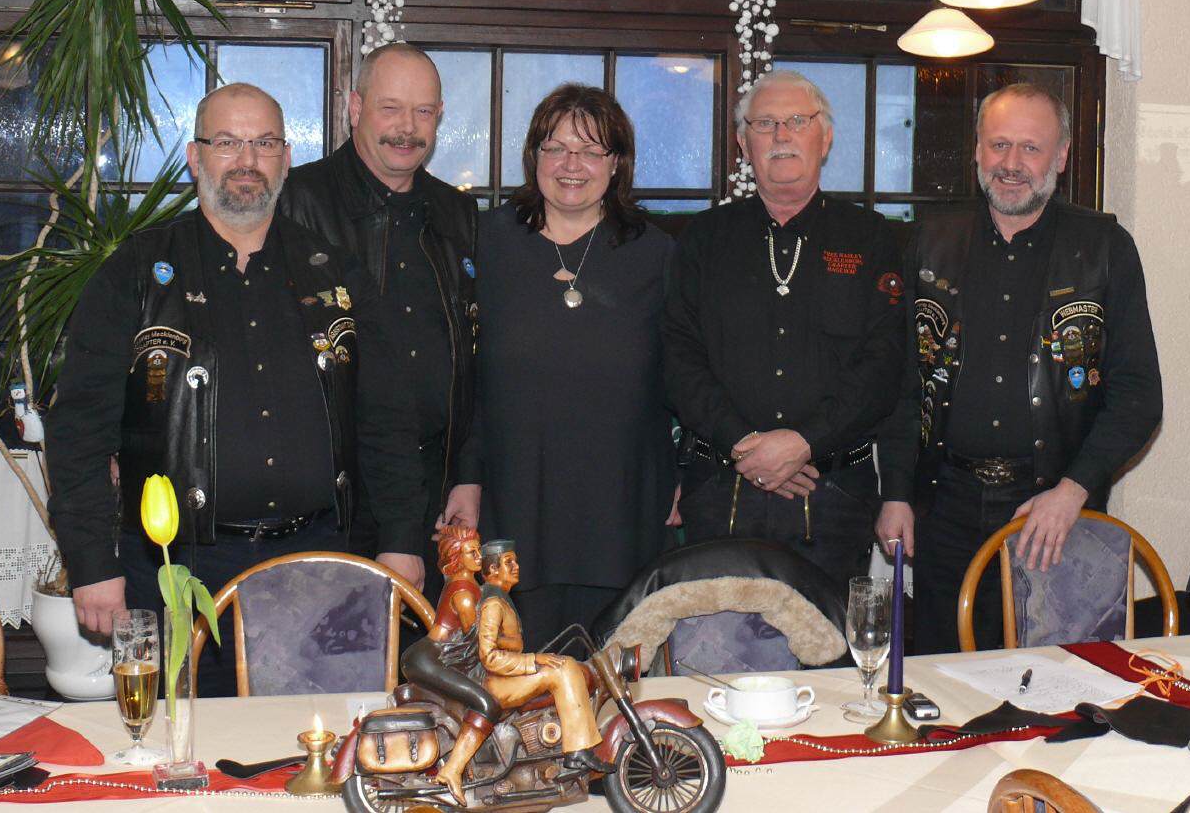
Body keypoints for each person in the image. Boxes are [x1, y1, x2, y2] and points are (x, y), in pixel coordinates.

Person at [46, 83, 417, 694]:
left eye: (264, 143)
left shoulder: (336, 273)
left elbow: (388, 422)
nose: (247, 160)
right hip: (176, 571)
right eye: (227, 142)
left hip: (324, 563)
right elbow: (79, 430)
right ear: (195, 157)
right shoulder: (136, 272)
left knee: (323, 744)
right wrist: (92, 564)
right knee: (184, 744)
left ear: (286, 158)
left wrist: (402, 541)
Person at [876, 82, 1163, 654]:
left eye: (1031, 148)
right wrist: (897, 492)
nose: (1011, 164)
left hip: (1053, 513)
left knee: (1056, 681)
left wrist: (1073, 489)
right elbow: (903, 383)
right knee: (941, 675)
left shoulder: (1104, 247)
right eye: (999, 144)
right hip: (944, 507)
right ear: (977, 150)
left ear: (1061, 156)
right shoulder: (927, 241)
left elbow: (1138, 396)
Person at [663, 70, 906, 600]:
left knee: (827, 645)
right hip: (721, 490)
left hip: (834, 495)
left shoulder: (872, 238)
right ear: (742, 142)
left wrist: (803, 443)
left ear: (826, 137)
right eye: (765, 123)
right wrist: (747, 448)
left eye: (798, 120)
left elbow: (884, 365)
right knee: (716, 644)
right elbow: (678, 357)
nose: (781, 135)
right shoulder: (702, 239)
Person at [477, 84, 676, 647]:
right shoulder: (488, 242)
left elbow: (678, 373)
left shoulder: (656, 253)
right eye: (556, 148)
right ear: (533, 156)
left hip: (620, 497)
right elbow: (465, 376)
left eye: (591, 151)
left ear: (617, 164)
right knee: (512, 669)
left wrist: (679, 471)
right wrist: (464, 478)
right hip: (514, 493)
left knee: (608, 674)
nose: (572, 165)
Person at [278, 43, 479, 593]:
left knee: (432, 647)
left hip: (437, 492)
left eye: (423, 111)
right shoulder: (294, 203)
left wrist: (468, 474)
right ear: (354, 108)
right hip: (330, 497)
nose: (406, 128)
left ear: (440, 116)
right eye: (391, 108)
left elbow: (475, 356)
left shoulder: (458, 212)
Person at [475, 540, 612, 777]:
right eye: (509, 562)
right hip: (494, 683)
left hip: (504, 676)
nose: (516, 566)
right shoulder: (493, 604)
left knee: (565, 664)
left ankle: (574, 747)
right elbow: (489, 657)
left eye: (515, 561)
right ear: (493, 569)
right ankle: (577, 750)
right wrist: (533, 660)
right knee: (563, 669)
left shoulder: (500, 598)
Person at [400, 525, 499, 806]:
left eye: (478, 550)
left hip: (441, 656)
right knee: (486, 704)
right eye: (471, 552)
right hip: (430, 659)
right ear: (456, 557)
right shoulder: (465, 593)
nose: (479, 557)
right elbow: (479, 642)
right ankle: (452, 771)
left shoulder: (469, 585)